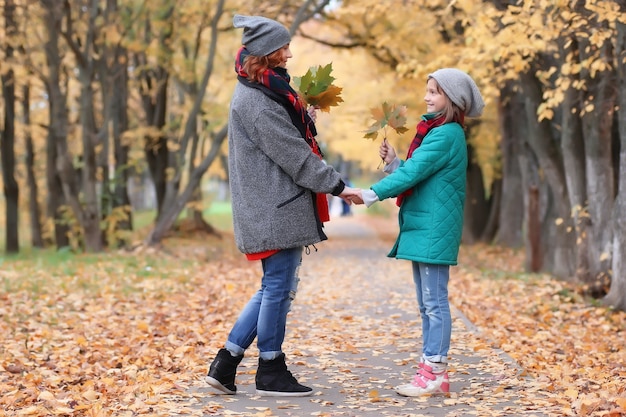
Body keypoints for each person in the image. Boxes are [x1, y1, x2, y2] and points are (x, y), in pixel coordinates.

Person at [205, 14, 358, 398]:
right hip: (275, 208)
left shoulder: (262, 91)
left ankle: (226, 363)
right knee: (277, 288)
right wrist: (340, 187)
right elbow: (297, 157)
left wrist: (305, 116)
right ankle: (270, 369)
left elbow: (289, 140)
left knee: (275, 286)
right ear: (265, 55)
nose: (290, 55)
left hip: (273, 206)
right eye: (283, 49)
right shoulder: (257, 102)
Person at [352, 68, 484, 396]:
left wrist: (372, 193)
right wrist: (395, 163)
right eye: (428, 90)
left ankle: (435, 370)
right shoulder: (438, 133)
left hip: (433, 228)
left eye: (434, 92)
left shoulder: (445, 134)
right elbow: (418, 173)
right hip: (426, 226)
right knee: (427, 303)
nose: (427, 97)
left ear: (452, 100)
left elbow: (415, 172)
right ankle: (431, 371)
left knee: (434, 302)